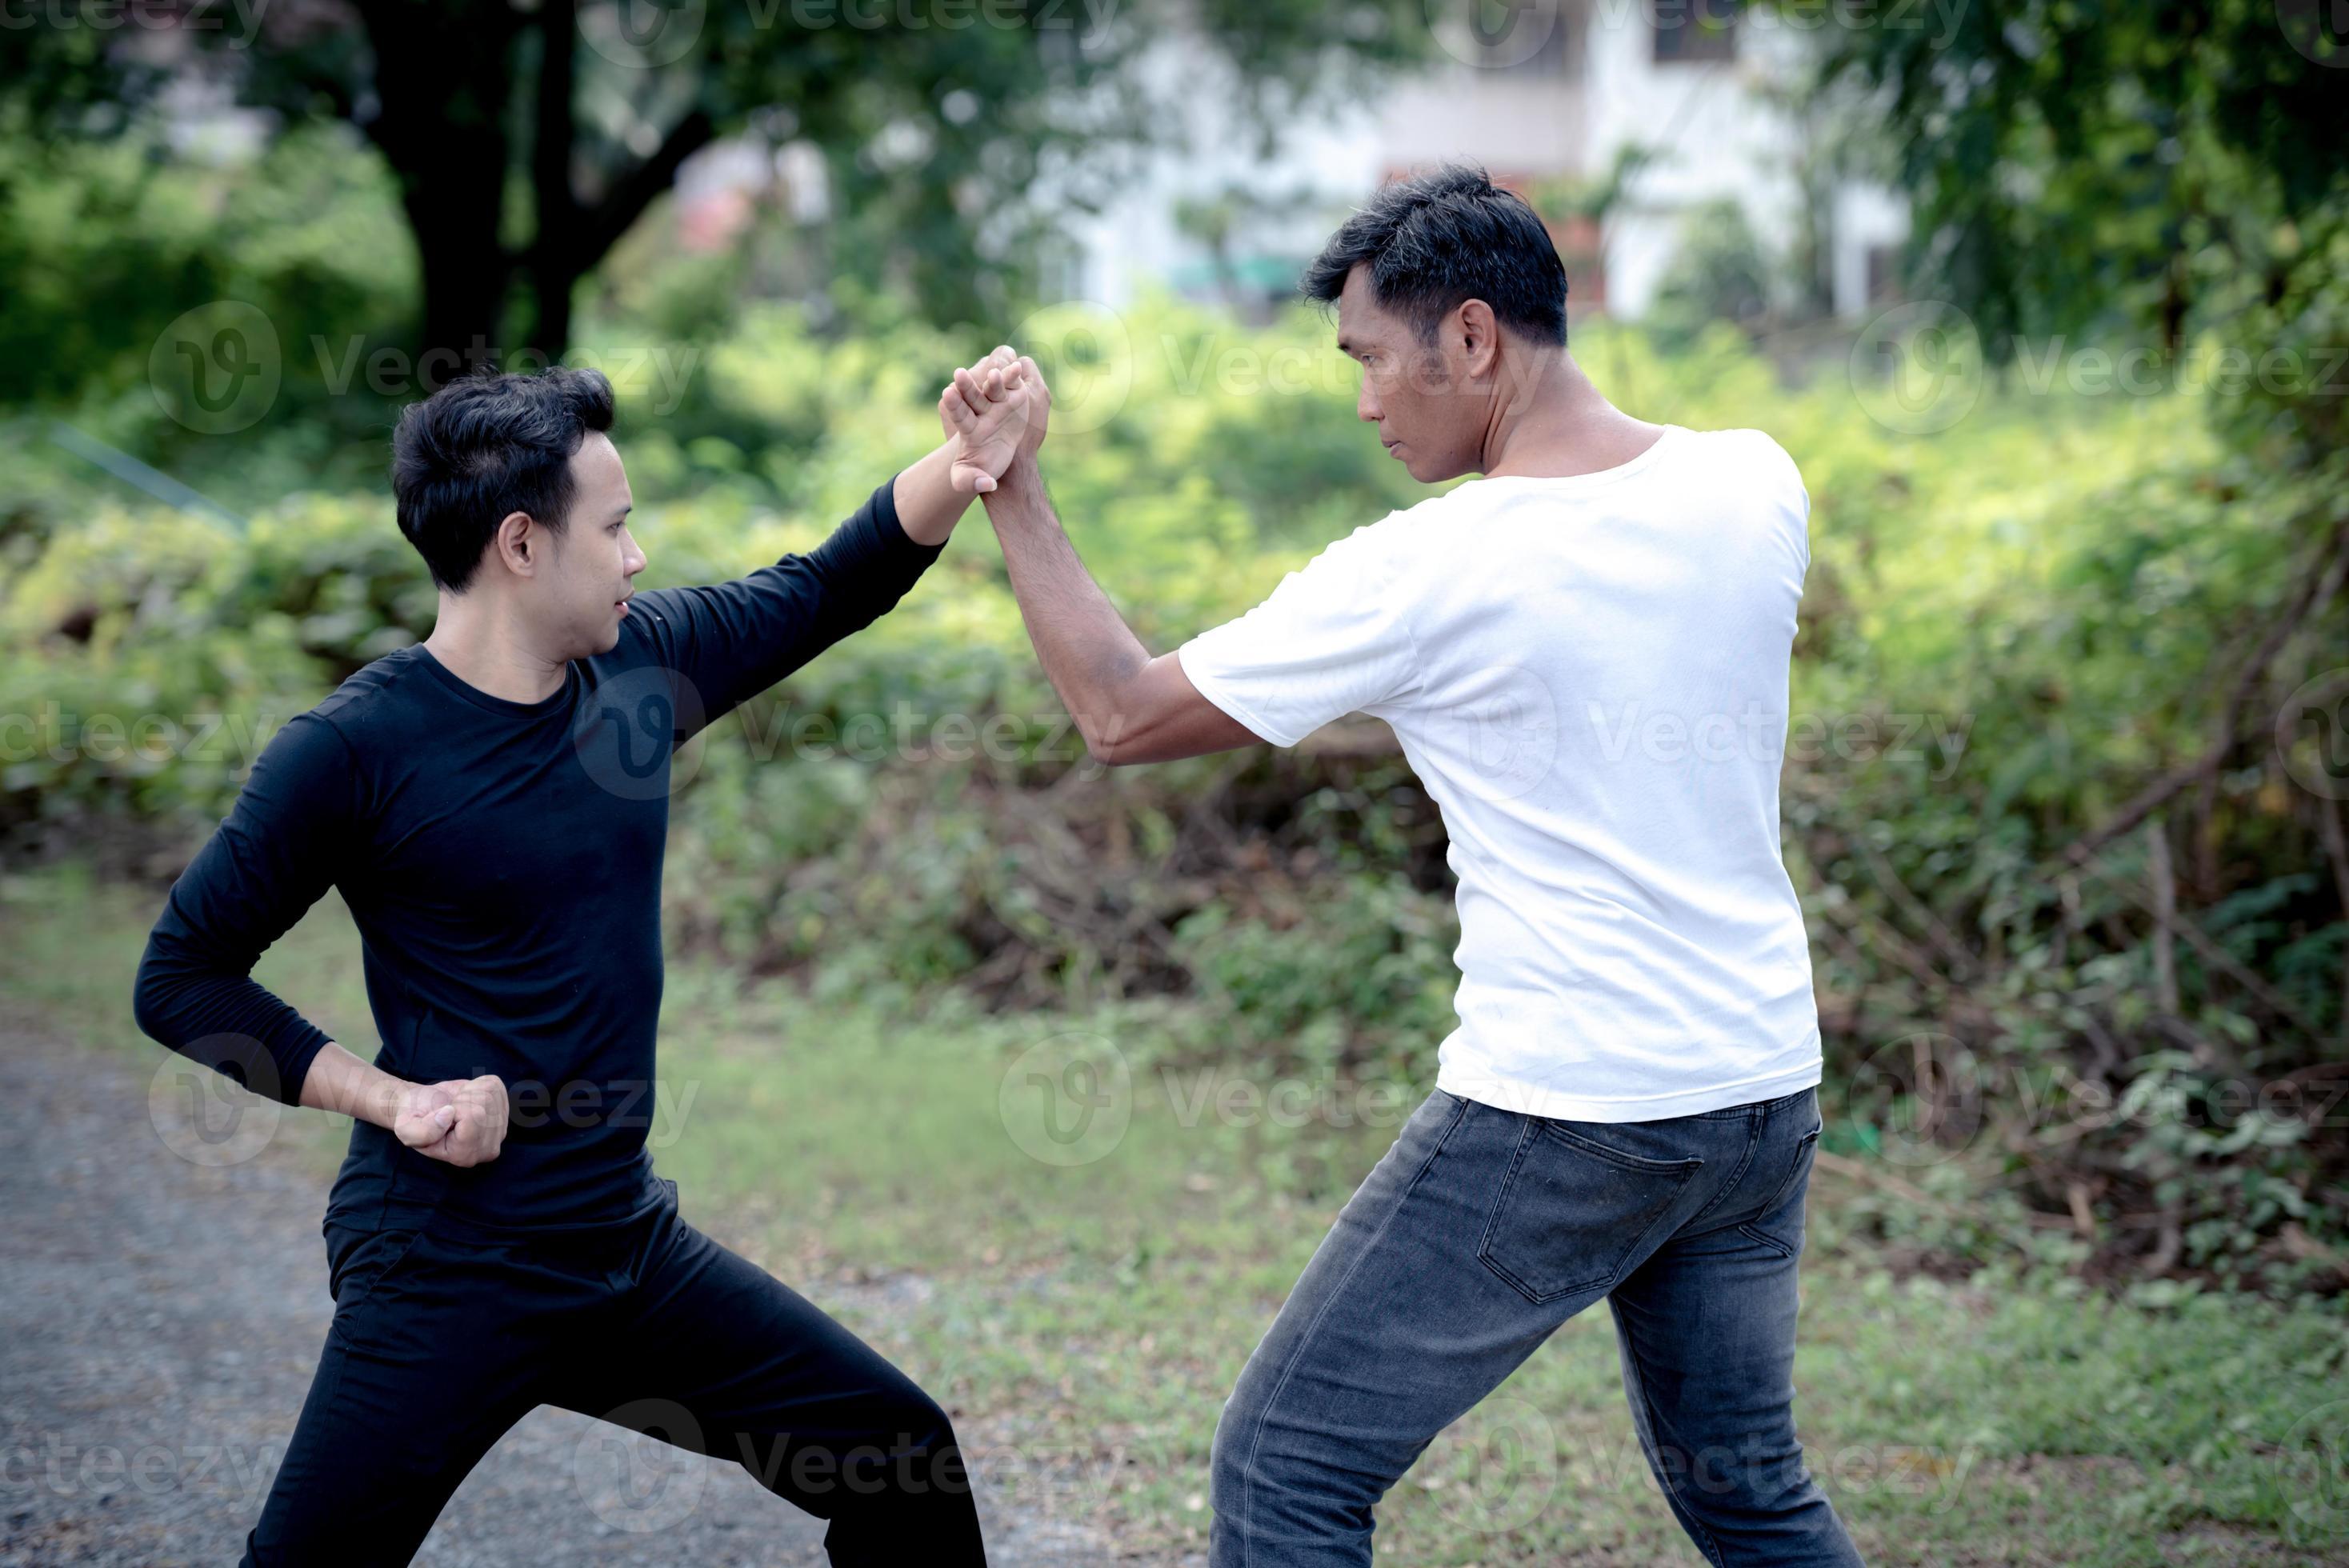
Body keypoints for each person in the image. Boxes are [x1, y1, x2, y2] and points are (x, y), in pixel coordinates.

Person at [938, 164, 1867, 1566]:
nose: (1365, 402)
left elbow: (1120, 711)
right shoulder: (1755, 480)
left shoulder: (1431, 569)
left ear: (1475, 340)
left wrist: (1012, 485)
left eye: (1373, 360)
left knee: (1288, 1468)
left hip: (1573, 1110)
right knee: (1748, 1489)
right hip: (1757, 1089)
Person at [131, 361, 1028, 1566]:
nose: (638, 557)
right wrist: (391, 1098)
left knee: (900, 1461)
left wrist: (966, 463)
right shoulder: (353, 751)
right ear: (520, 544)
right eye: (614, 528)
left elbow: (827, 585)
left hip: (619, 1246)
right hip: (444, 1261)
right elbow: (182, 975)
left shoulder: (638, 676)